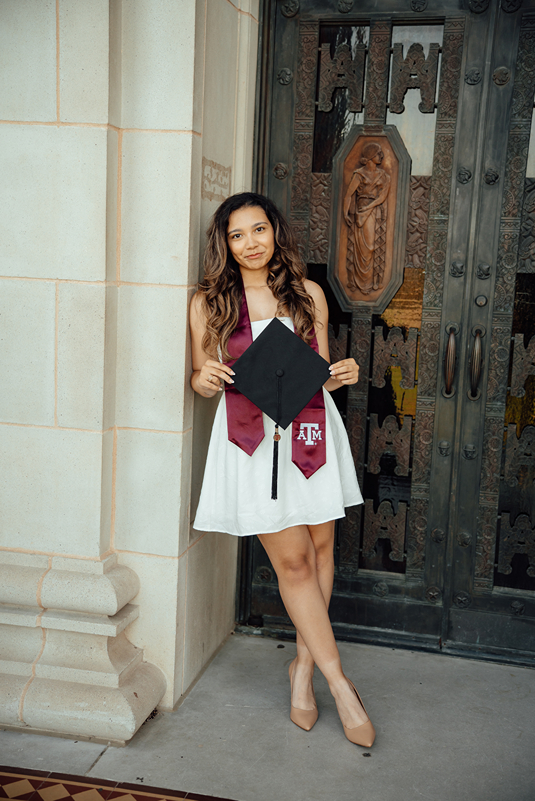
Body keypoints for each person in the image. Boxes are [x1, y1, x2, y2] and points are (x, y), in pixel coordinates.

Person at [189, 192, 374, 747]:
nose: (250, 243)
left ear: (275, 232)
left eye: (259, 230)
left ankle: (303, 671)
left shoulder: (307, 293)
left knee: (321, 552)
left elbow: (320, 372)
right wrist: (205, 379)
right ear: (225, 244)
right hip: (251, 442)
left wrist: (342, 374)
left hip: (309, 431)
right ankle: (341, 685)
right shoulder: (209, 303)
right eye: (237, 234)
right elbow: (200, 377)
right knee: (293, 563)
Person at [343, 141, 390, 294]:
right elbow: (349, 195)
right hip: (360, 214)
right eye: (378, 153)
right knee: (362, 248)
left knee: (371, 247)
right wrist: (345, 213)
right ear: (370, 156)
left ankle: (371, 282)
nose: (381, 156)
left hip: (373, 212)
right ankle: (358, 282)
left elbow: (382, 197)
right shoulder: (359, 174)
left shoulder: (384, 176)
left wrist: (370, 207)